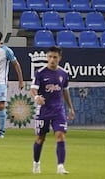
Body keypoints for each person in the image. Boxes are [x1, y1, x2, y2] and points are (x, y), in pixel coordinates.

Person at [30, 46, 75, 174]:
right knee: (40, 138)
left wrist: (70, 108)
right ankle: (36, 163)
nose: (52, 60)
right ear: (47, 57)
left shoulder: (63, 74)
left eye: (55, 57)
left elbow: (65, 92)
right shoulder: (40, 73)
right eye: (49, 57)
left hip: (58, 110)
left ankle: (60, 167)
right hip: (43, 110)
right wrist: (37, 97)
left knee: (60, 136)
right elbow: (33, 89)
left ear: (59, 58)